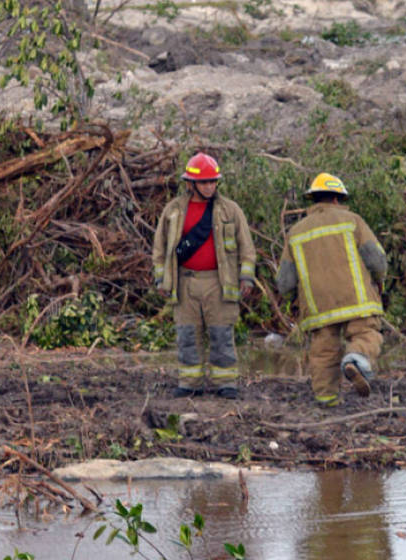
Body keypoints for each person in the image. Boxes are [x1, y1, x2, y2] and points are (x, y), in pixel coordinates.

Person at [276, 173, 387, 408]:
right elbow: (377, 260)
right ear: (338, 199)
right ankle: (356, 359)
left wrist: (294, 298)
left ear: (313, 200)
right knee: (366, 334)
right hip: (357, 300)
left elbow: (284, 282)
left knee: (323, 352)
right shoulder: (353, 221)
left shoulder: (296, 232)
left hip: (317, 308)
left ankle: (327, 400)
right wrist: (379, 281)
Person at [153, 152, 256, 399]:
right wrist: (161, 280)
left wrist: (246, 277)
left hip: (219, 283)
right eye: (204, 182)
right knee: (187, 335)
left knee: (221, 334)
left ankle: (226, 382)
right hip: (185, 282)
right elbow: (160, 247)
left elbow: (247, 248)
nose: (210, 186)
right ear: (190, 183)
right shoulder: (173, 210)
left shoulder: (230, 210)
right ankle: (190, 383)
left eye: (213, 182)